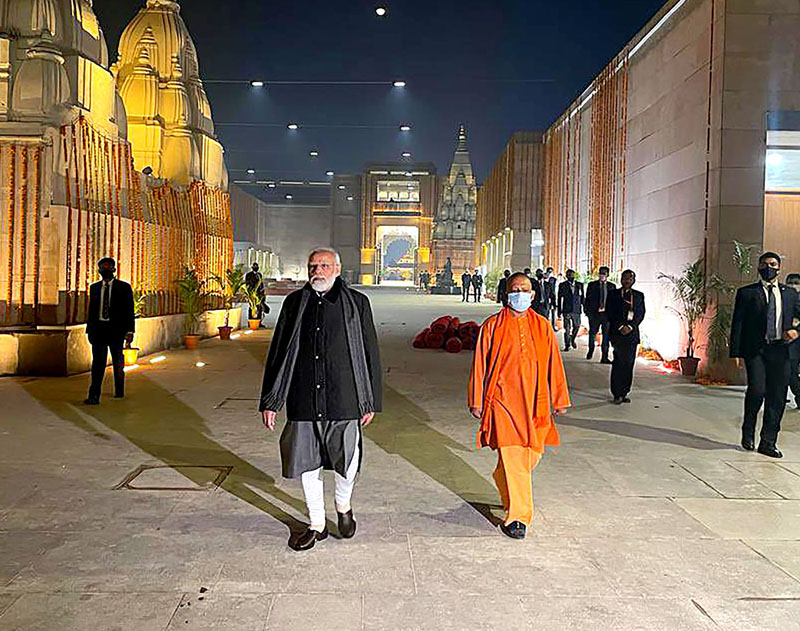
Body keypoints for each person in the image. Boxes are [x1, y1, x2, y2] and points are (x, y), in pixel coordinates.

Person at [259, 247, 382, 549]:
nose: (318, 271)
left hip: (345, 398)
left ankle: (343, 506)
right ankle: (316, 524)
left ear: (338, 269)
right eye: (313, 265)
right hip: (304, 398)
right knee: (307, 462)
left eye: (325, 265)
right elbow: (278, 352)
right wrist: (271, 400)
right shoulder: (294, 303)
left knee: (346, 461)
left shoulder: (357, 304)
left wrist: (371, 401)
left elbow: (370, 353)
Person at [468, 272, 571, 539]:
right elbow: (479, 364)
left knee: (531, 456)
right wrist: (476, 399)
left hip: (536, 402)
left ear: (533, 295)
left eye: (525, 289)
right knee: (514, 456)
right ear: (507, 294)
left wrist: (560, 398)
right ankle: (518, 518)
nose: (520, 294)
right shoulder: (492, 326)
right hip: (503, 401)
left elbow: (554, 365)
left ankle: (504, 481)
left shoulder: (542, 326)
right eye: (515, 289)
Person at [730, 252, 800, 458]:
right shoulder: (747, 293)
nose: (768, 267)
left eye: (772, 264)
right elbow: (738, 323)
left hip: (781, 350)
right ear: (759, 267)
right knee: (757, 390)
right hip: (756, 350)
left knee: (777, 396)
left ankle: (768, 441)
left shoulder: (789, 294)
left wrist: (796, 330)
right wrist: (736, 351)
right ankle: (748, 430)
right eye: (764, 264)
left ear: (779, 268)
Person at [84, 257, 135, 405]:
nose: (105, 270)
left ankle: (119, 389)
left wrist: (130, 331)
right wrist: (90, 330)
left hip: (116, 330)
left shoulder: (124, 287)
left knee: (117, 361)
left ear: (114, 269)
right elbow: (92, 311)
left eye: (108, 267)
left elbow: (129, 310)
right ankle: (94, 395)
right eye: (103, 268)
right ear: (99, 270)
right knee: (98, 364)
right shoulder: (94, 288)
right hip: (99, 330)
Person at [607, 269, 646, 404]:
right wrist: (620, 327)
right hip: (617, 334)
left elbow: (640, 314)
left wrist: (630, 326)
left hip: (631, 334)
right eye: (625, 278)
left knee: (629, 364)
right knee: (618, 362)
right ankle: (616, 393)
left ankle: (624, 392)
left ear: (633, 280)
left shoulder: (638, 296)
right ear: (621, 279)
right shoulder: (613, 295)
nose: (627, 280)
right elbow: (610, 313)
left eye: (630, 278)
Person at [585, 266, 616, 364]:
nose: (602, 275)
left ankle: (604, 357)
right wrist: (588, 313)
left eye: (604, 273)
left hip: (606, 315)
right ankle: (591, 350)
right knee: (592, 334)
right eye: (601, 273)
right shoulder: (592, 285)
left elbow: (614, 302)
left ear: (608, 274)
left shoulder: (612, 286)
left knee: (606, 336)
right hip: (595, 314)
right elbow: (587, 300)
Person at [557, 269, 584, 351]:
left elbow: (582, 297)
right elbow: (559, 298)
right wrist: (559, 310)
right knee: (567, 328)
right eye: (568, 275)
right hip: (566, 310)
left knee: (577, 326)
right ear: (566, 276)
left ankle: (572, 339)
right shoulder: (562, 285)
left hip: (576, 310)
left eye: (572, 275)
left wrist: (585, 308)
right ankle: (567, 345)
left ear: (574, 275)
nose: (570, 276)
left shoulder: (580, 285)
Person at [786, 273, 800, 408]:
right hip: (791, 343)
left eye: (796, 283)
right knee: (791, 374)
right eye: (790, 282)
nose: (793, 285)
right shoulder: (785, 299)